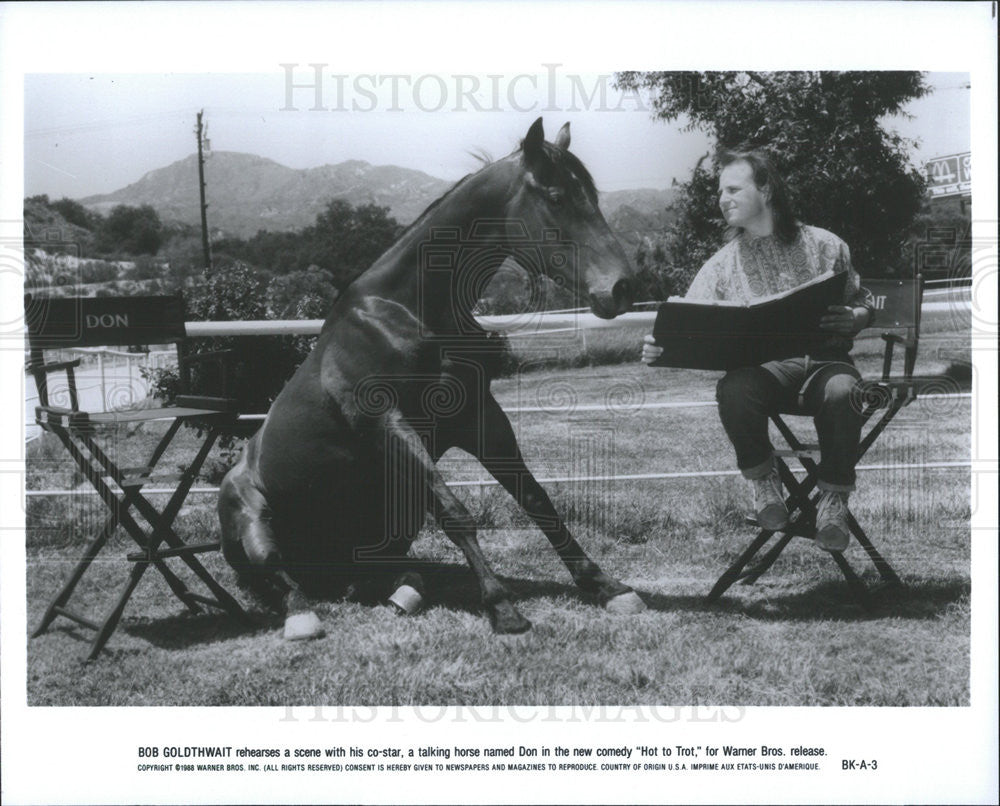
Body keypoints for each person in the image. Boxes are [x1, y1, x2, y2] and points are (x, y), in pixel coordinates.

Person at [642, 148, 875, 552]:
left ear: (765, 189)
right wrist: (660, 345)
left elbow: (865, 299)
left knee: (845, 392)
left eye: (733, 188)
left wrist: (857, 317)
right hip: (766, 375)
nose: (722, 198)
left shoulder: (825, 245)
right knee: (734, 388)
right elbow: (689, 320)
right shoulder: (720, 265)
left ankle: (833, 501)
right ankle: (765, 483)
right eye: (720, 191)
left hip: (827, 364)